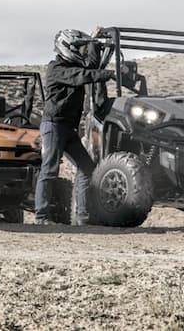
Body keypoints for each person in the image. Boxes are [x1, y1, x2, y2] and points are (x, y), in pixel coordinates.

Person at [35, 28, 116, 225]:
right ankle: (41, 217)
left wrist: (94, 41)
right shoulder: (56, 68)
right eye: (77, 48)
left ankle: (82, 217)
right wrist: (109, 74)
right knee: (49, 169)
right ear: (66, 47)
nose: (80, 52)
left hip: (68, 127)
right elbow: (82, 75)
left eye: (81, 48)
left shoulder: (73, 64)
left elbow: (90, 66)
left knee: (87, 168)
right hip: (54, 125)